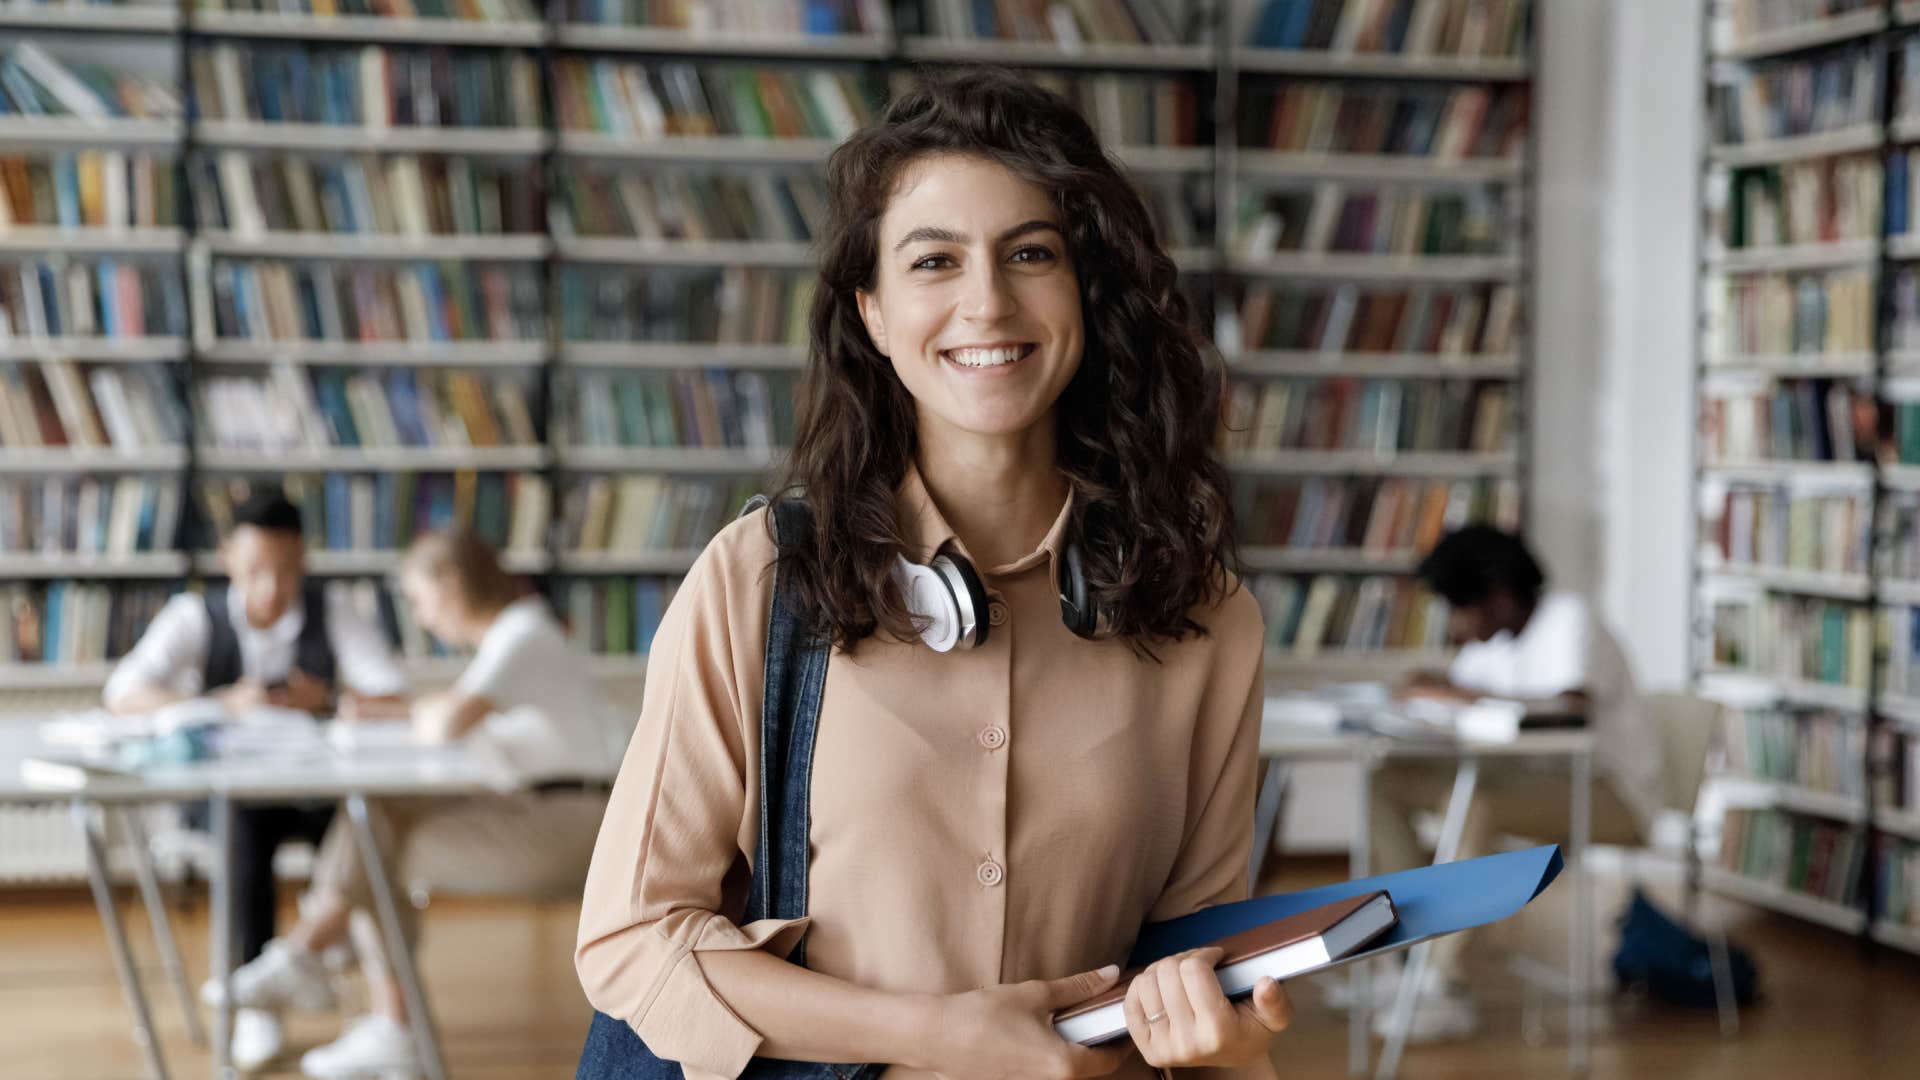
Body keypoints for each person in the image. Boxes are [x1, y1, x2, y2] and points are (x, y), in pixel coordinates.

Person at [574, 68, 1289, 1080]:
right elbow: (630, 940)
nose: (986, 302)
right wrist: (932, 1036)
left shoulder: (1207, 619)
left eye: (1031, 254)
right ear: (870, 311)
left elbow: (1196, 978)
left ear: (1087, 289)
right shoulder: (764, 581)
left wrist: (1224, 1042)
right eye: (934, 261)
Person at [212, 529, 616, 1078]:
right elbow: (441, 715)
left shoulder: (522, 633)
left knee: (377, 843)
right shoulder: (515, 634)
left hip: (568, 831)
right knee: (378, 819)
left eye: (422, 601)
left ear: (451, 586)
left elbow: (446, 722)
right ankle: (351, 996)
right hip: (546, 814)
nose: (423, 619)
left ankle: (332, 977)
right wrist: (404, 713)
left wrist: (421, 713)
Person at [102, 487, 409, 1071]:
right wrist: (224, 702)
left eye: (287, 573)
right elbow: (122, 695)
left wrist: (331, 699)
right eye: (255, 572)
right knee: (241, 822)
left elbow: (393, 695)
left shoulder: (333, 612)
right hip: (234, 800)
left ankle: (377, 1009)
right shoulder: (195, 615)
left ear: (305, 563)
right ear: (228, 561)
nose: (271, 589)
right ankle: (257, 998)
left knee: (372, 828)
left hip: (316, 793)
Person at [1362, 525, 1660, 1041]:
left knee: (1474, 805)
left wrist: (1457, 695)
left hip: (1609, 794)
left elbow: (1568, 709)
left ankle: (1443, 983)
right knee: (1384, 784)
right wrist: (1434, 690)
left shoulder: (1569, 619)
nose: (1455, 627)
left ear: (1498, 598)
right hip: (1527, 788)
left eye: (1460, 609)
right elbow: (1469, 691)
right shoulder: (1492, 643)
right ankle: (1405, 956)